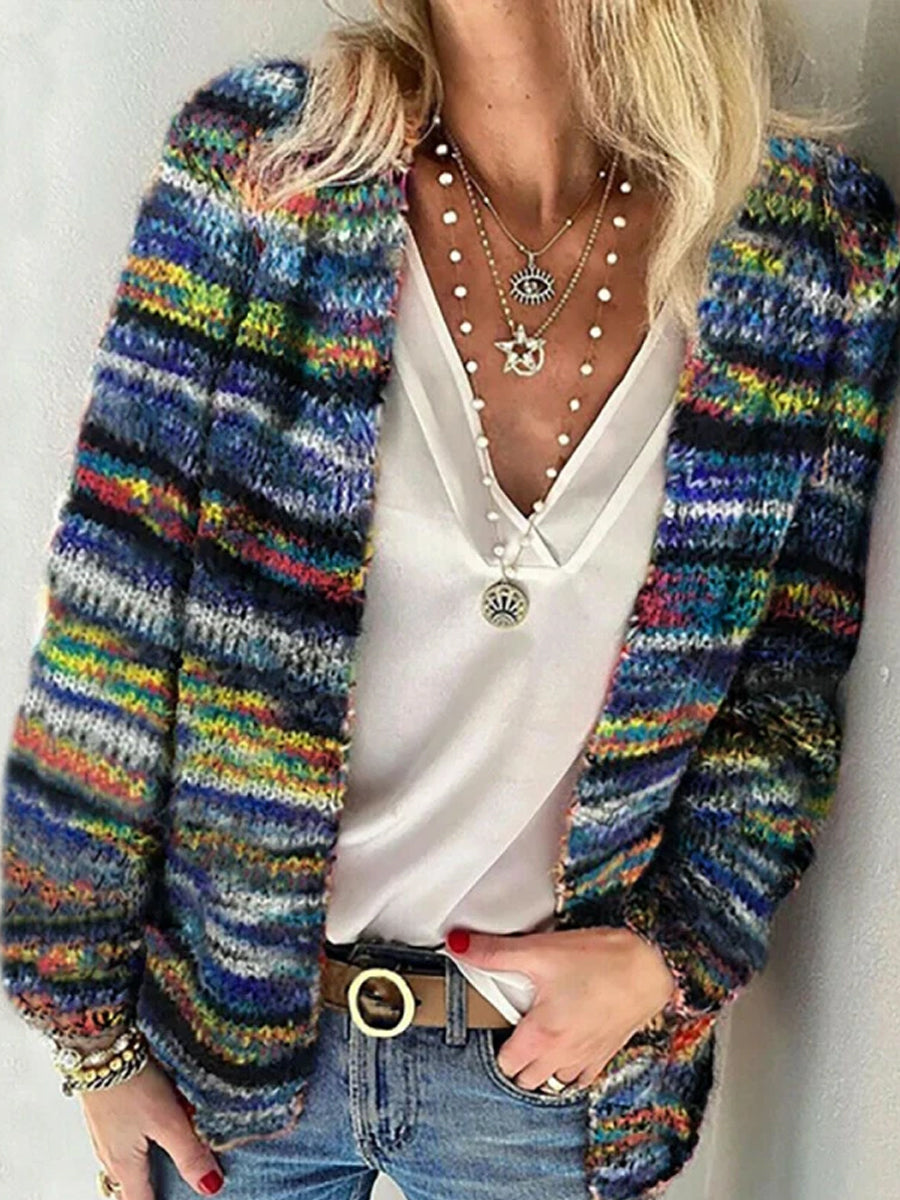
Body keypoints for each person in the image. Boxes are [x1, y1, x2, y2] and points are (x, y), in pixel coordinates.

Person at [2, 2, 899, 1199]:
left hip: (543, 1078)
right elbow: (113, 623)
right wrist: (90, 1035)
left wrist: (674, 955)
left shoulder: (810, 251)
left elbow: (788, 674)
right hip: (231, 1053)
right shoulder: (268, 172)